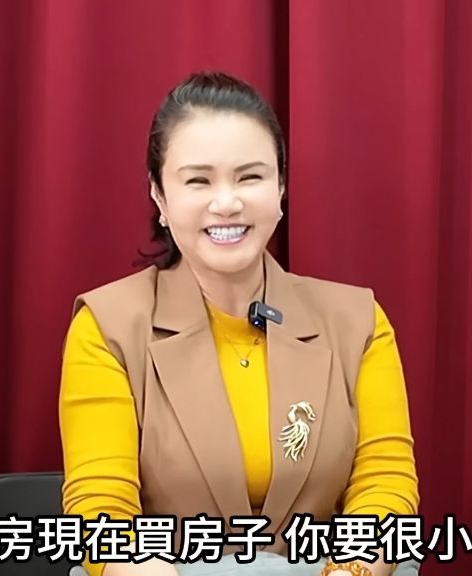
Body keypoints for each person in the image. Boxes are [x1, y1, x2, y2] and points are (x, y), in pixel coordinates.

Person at [58, 70, 420, 576]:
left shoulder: (357, 322)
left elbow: (386, 486)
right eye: (198, 180)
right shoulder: (108, 326)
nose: (226, 203)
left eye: (249, 177)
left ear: (281, 188)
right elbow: (100, 514)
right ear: (160, 197)